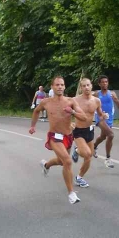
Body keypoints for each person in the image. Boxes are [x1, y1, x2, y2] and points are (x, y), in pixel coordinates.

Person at [29, 76, 87, 204]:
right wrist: (33, 125)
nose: (60, 87)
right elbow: (36, 111)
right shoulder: (46, 102)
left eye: (62, 84)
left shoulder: (70, 101)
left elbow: (83, 117)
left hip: (67, 136)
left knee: (62, 162)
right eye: (57, 85)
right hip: (54, 137)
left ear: (64, 87)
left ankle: (46, 165)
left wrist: (72, 111)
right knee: (67, 161)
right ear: (52, 87)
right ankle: (71, 194)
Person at [71, 78, 106, 188]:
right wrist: (69, 124)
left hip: (89, 130)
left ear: (91, 86)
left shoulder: (96, 101)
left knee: (89, 156)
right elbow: (66, 114)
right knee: (86, 153)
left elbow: (100, 113)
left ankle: (79, 177)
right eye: (84, 86)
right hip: (78, 131)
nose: (86, 87)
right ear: (81, 88)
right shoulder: (75, 100)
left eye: (88, 85)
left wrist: (103, 116)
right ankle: (78, 150)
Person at [93, 75, 119, 168]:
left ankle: (93, 146)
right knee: (111, 135)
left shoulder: (112, 93)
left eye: (106, 82)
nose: (105, 83)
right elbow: (86, 99)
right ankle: (108, 159)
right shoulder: (97, 94)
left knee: (103, 137)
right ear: (99, 84)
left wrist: (116, 100)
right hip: (100, 117)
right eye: (103, 82)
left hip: (109, 118)